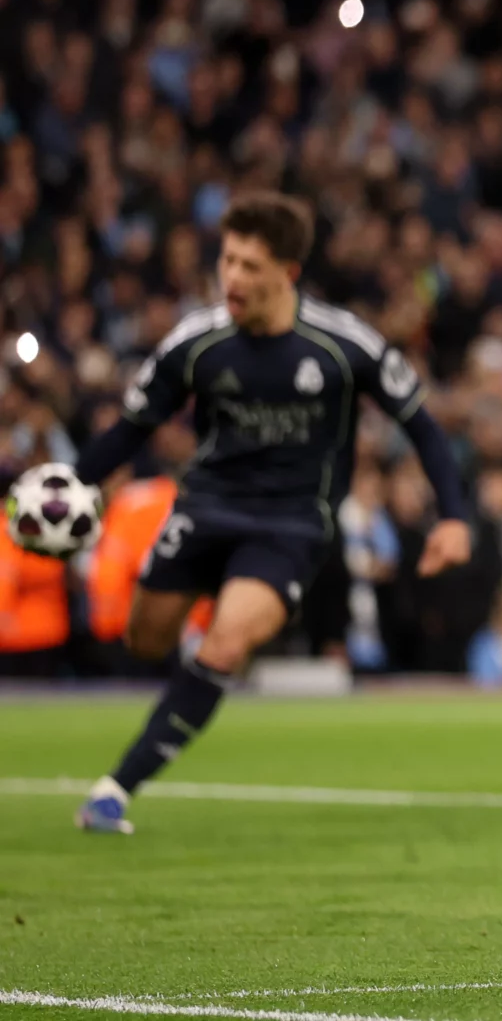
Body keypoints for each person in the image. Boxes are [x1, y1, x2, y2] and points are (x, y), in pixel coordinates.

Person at [67, 193, 472, 833]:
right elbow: (130, 429)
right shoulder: (195, 343)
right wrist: (67, 485)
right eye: (227, 260)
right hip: (205, 507)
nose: (232, 277)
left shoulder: (343, 345)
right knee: (144, 639)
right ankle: (195, 677)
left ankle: (116, 788)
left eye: (251, 266)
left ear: (289, 271)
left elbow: (422, 425)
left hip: (291, 523)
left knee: (225, 644)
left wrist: (452, 515)